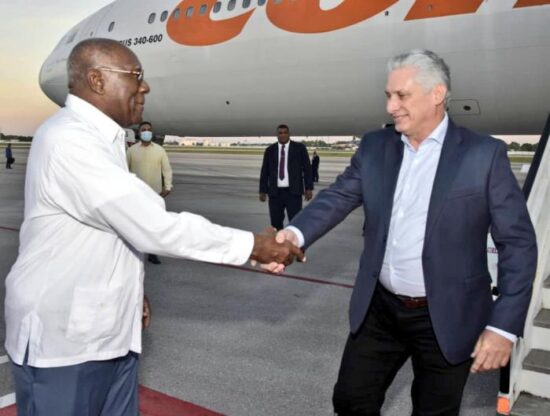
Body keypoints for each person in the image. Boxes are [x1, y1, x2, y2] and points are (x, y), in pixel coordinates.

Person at [4, 38, 302, 416]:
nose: (144, 87)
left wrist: (129, 293)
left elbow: (108, 234)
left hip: (108, 332)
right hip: (65, 344)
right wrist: (253, 246)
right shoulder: (70, 139)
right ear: (96, 80)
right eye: (135, 76)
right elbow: (152, 226)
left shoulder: (104, 138)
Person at [275, 50, 537, 415]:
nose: (391, 106)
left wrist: (503, 327)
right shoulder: (375, 147)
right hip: (381, 309)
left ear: (437, 94)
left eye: (402, 95)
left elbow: (518, 244)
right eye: (388, 95)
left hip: (448, 314)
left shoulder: (483, 155)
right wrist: (295, 234)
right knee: (351, 400)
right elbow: (337, 197)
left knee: (433, 411)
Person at [127, 120, 173, 264]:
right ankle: (134, 252)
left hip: (155, 193)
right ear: (139, 132)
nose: (146, 132)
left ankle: (153, 253)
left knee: (155, 225)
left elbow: (166, 169)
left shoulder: (160, 150)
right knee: (136, 223)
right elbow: (125, 170)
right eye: (143, 129)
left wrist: (168, 186)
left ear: (151, 133)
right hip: (137, 194)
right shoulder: (131, 150)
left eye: (148, 130)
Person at [259, 124, 314, 230]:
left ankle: (295, 246)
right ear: (277, 135)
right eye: (280, 133)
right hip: (275, 194)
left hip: (293, 193)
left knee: (295, 223)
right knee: (275, 223)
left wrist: (308, 188)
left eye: (285, 133)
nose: (283, 135)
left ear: (289, 134)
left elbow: (307, 169)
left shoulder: (299, 148)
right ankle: (278, 245)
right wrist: (262, 190)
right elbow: (264, 171)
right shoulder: (270, 150)